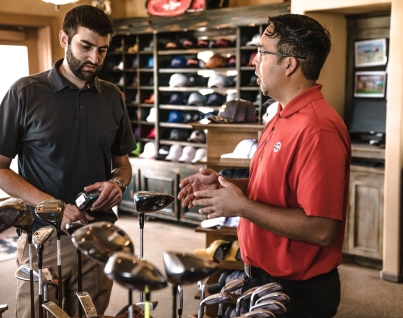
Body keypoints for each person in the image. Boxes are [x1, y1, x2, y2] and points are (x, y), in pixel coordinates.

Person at [178, 14, 351, 318]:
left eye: (262, 51)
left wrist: (241, 207)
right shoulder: (281, 117)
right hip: (262, 278)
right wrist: (223, 188)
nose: (253, 61)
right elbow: (273, 189)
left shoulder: (318, 129)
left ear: (289, 64)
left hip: (296, 291)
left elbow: (322, 228)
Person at [0, 5, 136, 317]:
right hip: (44, 238)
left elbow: (123, 164)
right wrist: (55, 206)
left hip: (99, 236)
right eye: (86, 46)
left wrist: (118, 183)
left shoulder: (112, 97)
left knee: (91, 313)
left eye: (102, 50)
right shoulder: (25, 92)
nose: (94, 59)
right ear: (65, 39)